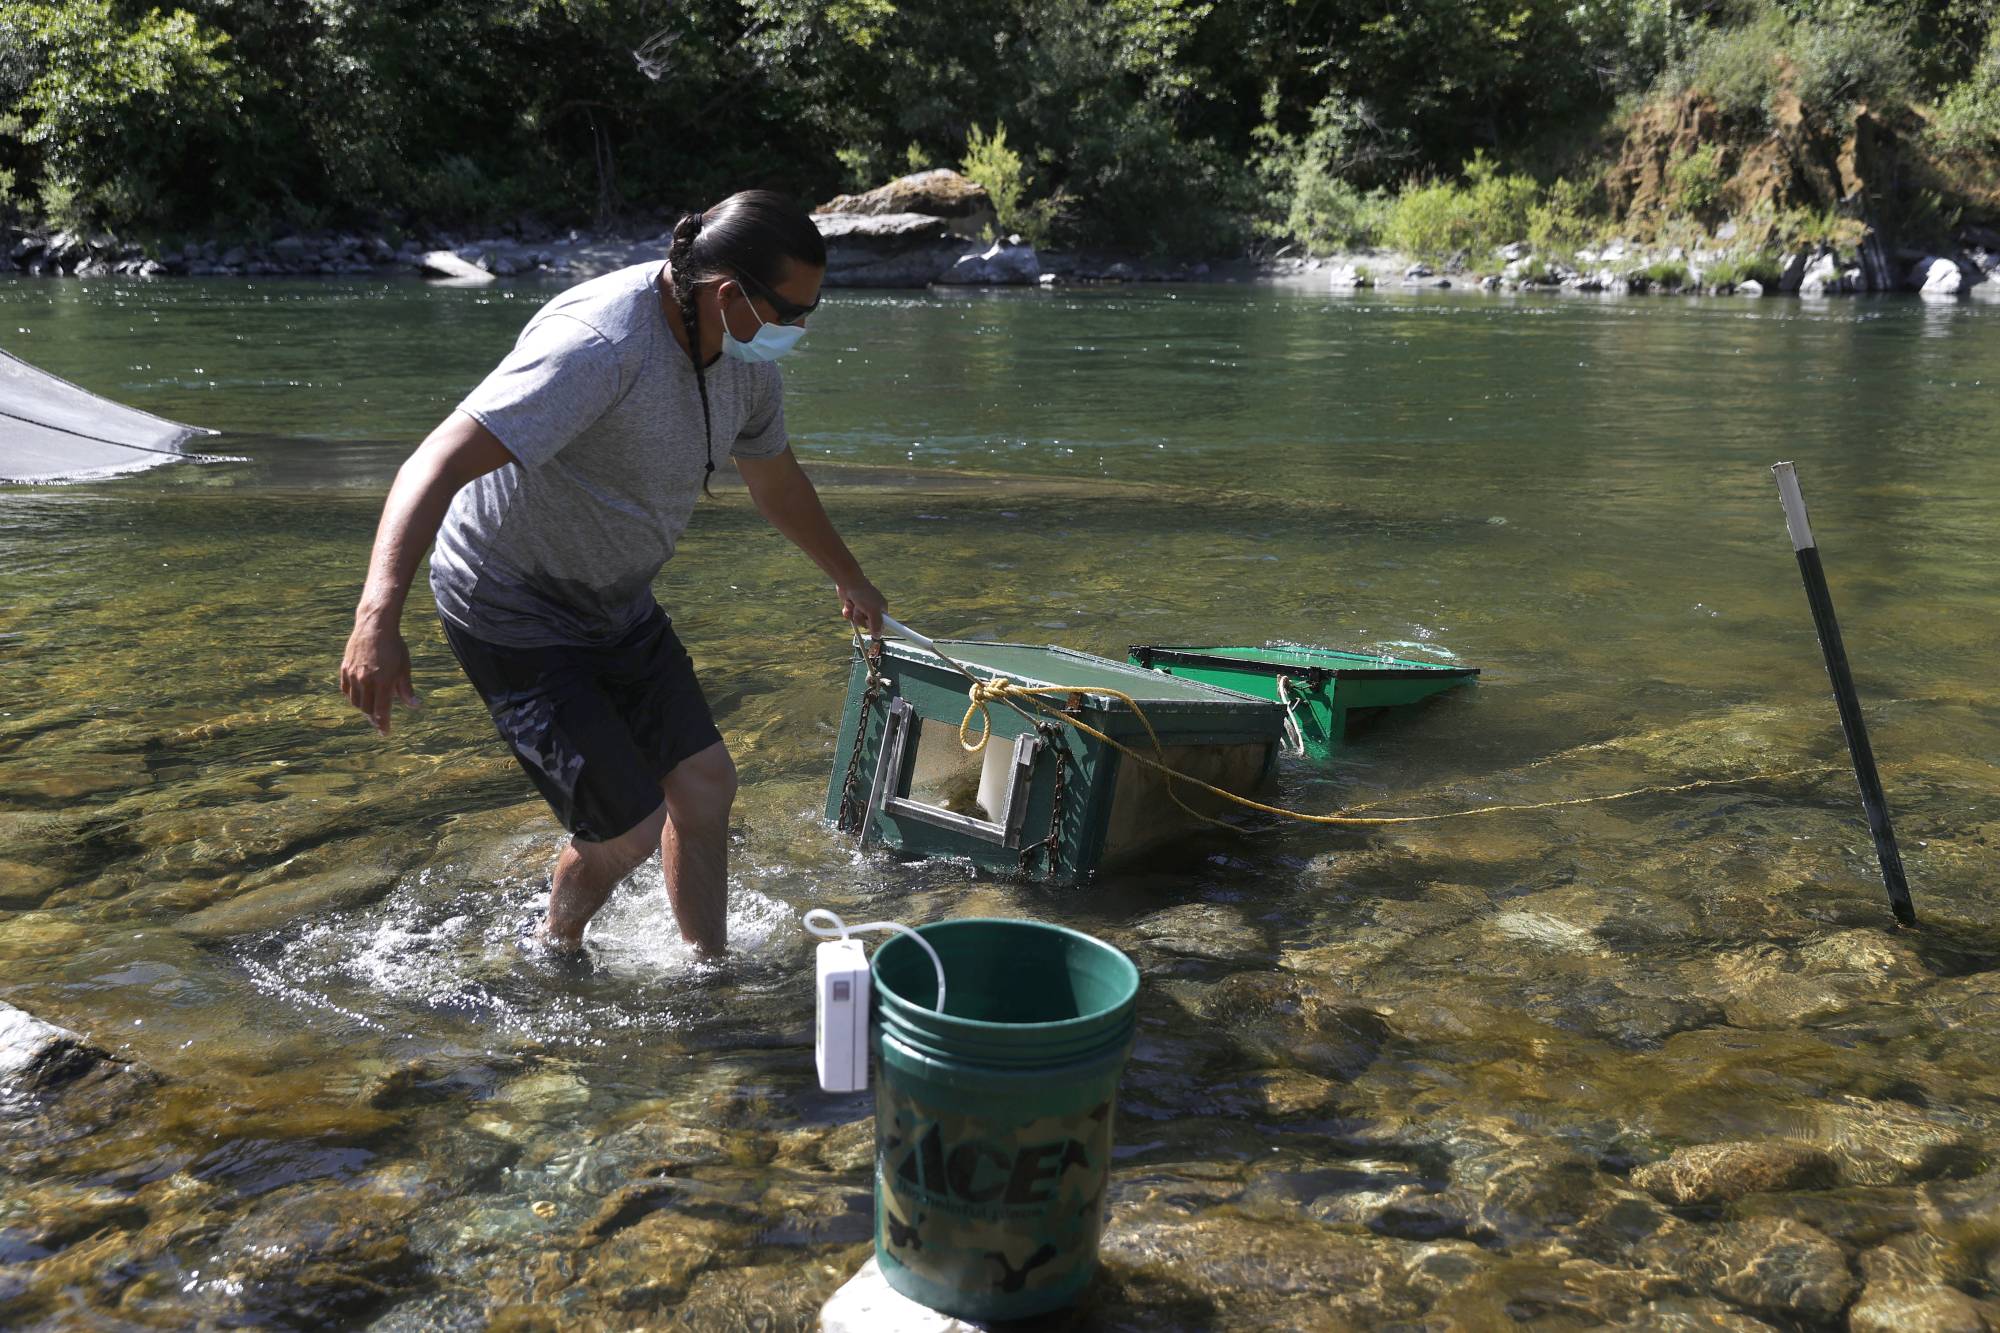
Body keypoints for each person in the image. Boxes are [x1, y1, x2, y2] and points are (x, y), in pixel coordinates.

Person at [338, 190, 885, 958]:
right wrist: (376, 618)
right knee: (627, 828)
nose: (799, 330)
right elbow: (434, 461)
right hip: (509, 601)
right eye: (794, 313)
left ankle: (707, 968)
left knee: (705, 785)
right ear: (727, 294)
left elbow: (774, 478)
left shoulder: (742, 356)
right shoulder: (597, 345)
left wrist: (848, 574)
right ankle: (553, 944)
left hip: (615, 598)